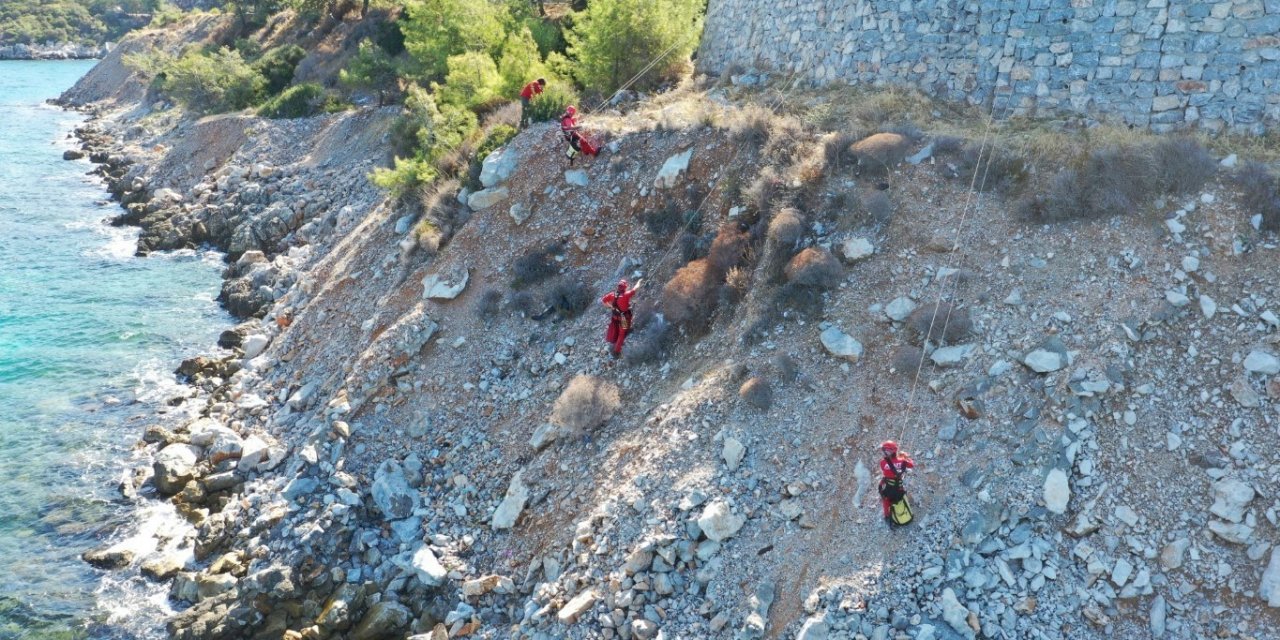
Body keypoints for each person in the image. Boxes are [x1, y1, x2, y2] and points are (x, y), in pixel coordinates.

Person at [602, 278, 642, 358]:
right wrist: (639, 282)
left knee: (617, 329)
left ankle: (616, 340)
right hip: (623, 318)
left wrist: (610, 307)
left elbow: (603, 300)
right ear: (625, 287)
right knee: (621, 334)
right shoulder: (626, 294)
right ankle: (616, 352)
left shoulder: (612, 294)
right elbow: (636, 288)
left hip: (615, 317)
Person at [877, 440, 914, 526]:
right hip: (899, 489)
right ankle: (904, 513)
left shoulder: (882, 462)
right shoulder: (902, 461)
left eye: (886, 451)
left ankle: (887, 516)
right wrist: (905, 457)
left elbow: (885, 470)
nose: (884, 452)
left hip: (888, 488)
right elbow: (912, 465)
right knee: (900, 499)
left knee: (886, 500)